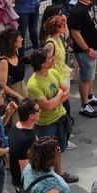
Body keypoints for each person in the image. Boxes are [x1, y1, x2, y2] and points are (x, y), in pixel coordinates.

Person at [25, 48, 78, 184]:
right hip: (46, 124)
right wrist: (60, 94)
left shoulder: (53, 72)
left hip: (60, 118)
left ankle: (60, 174)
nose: (53, 59)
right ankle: (47, 180)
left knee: (58, 149)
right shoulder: (33, 84)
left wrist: (56, 100)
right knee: (46, 154)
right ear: (42, 64)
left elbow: (68, 93)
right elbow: (47, 106)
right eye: (49, 58)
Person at [67, 0, 97, 118]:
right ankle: (84, 105)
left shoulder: (91, 3)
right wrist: (86, 49)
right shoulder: (77, 11)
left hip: (96, 46)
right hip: (87, 50)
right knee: (85, 78)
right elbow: (75, 33)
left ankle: (90, 96)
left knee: (92, 75)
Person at [8, 98, 39, 192]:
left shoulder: (16, 125)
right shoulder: (26, 140)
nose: (40, 111)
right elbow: (25, 170)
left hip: (16, 177)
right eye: (38, 110)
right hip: (25, 184)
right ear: (31, 116)